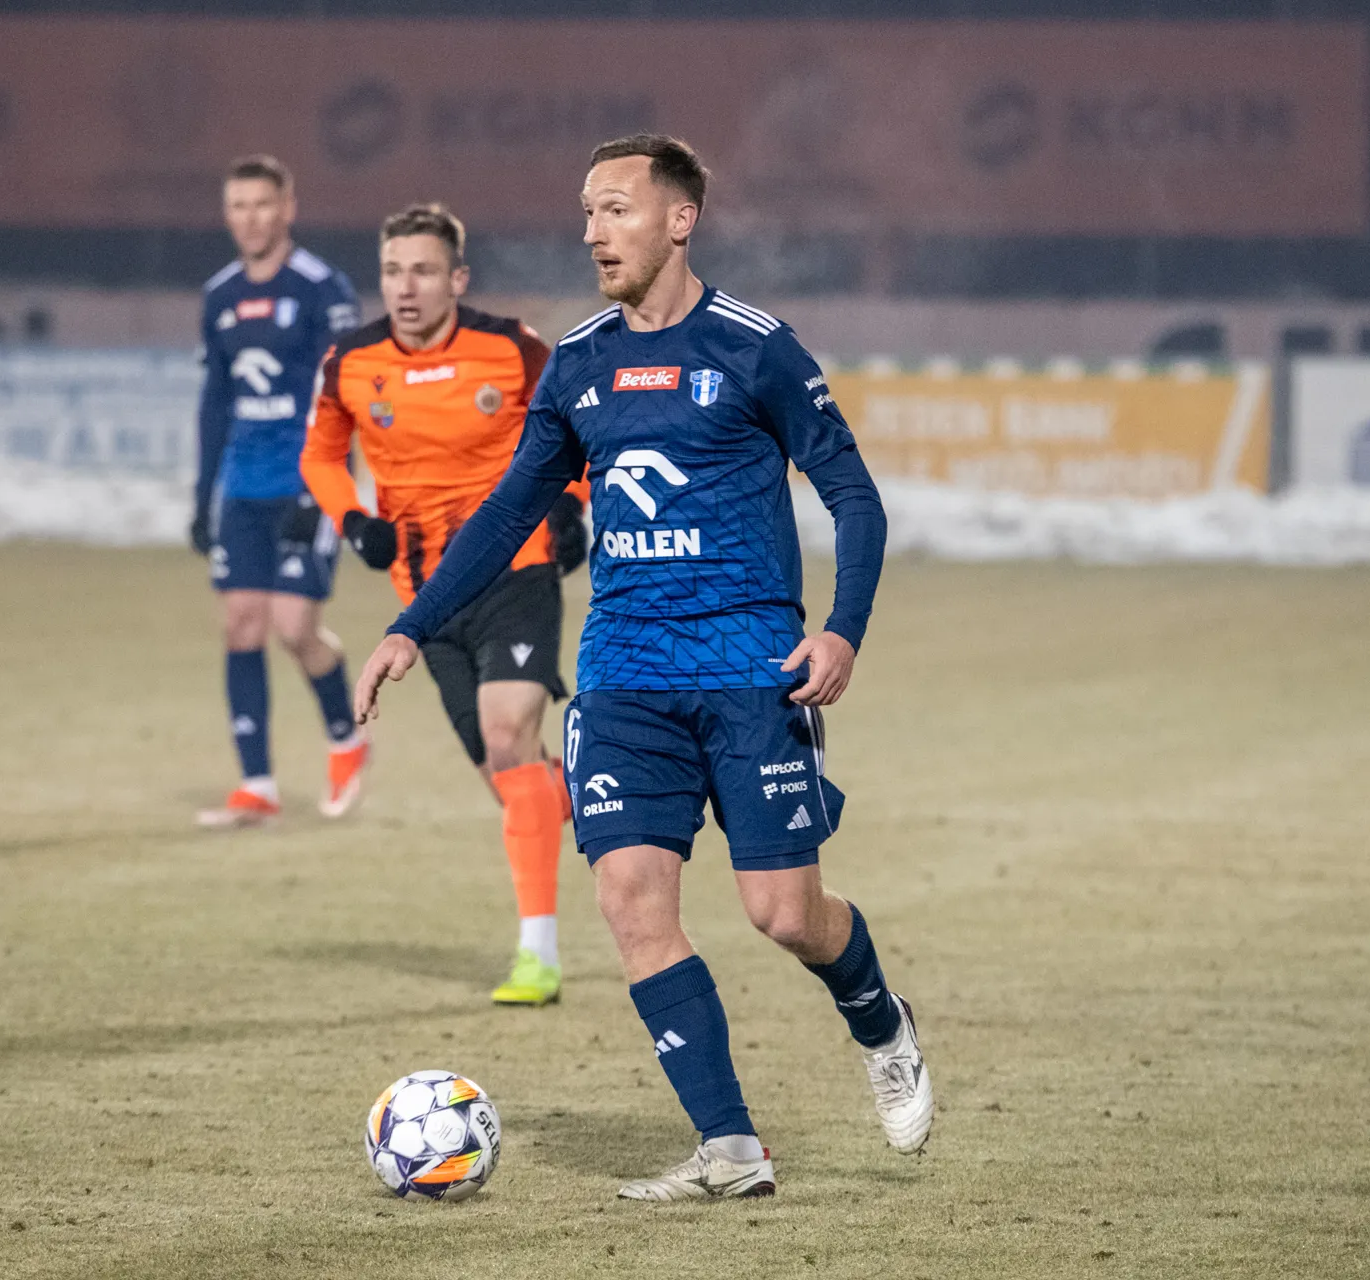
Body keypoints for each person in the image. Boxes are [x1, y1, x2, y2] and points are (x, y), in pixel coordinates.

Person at [352, 135, 931, 1199]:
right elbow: (510, 513)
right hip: (622, 673)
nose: (593, 231)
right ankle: (731, 1148)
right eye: (586, 211)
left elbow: (855, 496)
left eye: (615, 208)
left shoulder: (756, 348)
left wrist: (842, 628)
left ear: (680, 219)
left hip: (752, 667)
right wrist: (410, 625)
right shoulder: (579, 363)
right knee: (630, 900)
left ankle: (879, 1019)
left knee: (783, 913)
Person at [301, 204, 590, 1006]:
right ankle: (598, 786)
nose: (406, 287)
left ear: (457, 279)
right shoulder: (350, 361)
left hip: (518, 569)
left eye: (424, 271)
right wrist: (352, 519)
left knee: (506, 737)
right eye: (393, 271)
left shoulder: (512, 348)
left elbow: (580, 432)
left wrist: (572, 504)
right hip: (425, 599)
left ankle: (537, 954)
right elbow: (321, 456)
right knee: (510, 778)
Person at [192, 155, 368, 829]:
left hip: (308, 483)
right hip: (242, 486)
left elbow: (343, 396)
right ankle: (257, 785)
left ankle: (346, 738)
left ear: (288, 208)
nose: (251, 218)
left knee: (295, 628)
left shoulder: (323, 289)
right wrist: (202, 496)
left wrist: (320, 491)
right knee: (241, 624)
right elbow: (215, 401)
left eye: (262, 204)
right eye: (238, 206)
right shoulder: (219, 295)